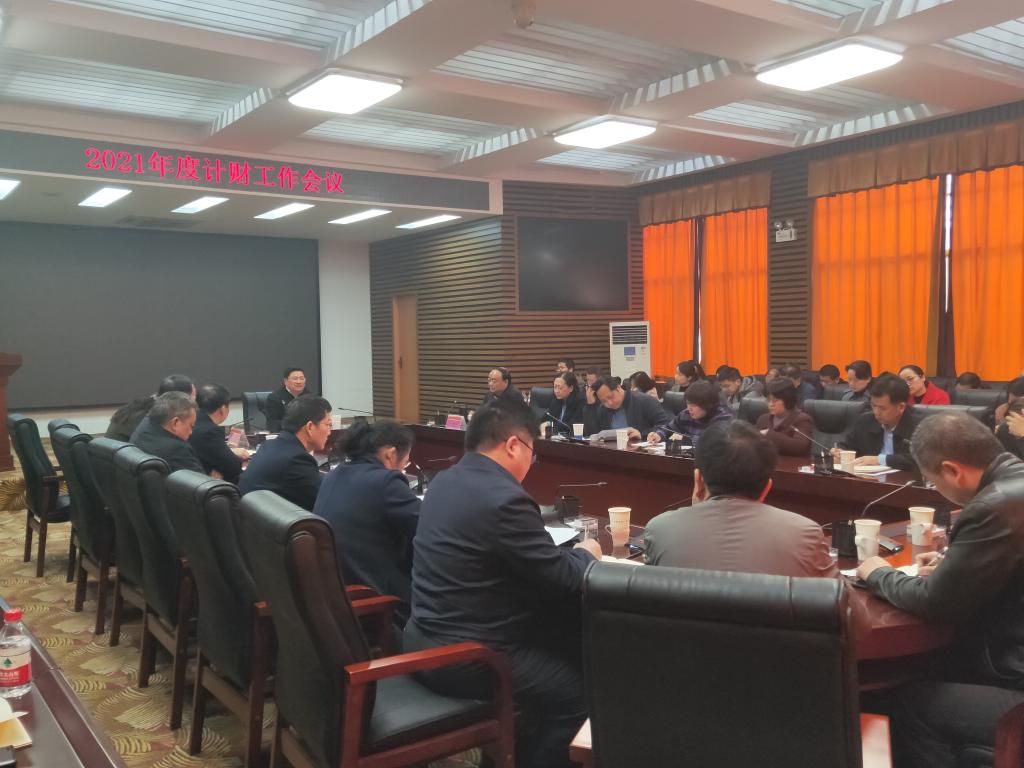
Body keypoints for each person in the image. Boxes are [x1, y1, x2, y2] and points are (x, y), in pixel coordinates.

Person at [403, 400, 602, 768]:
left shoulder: (444, 480)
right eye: (532, 453)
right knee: (578, 695)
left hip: (421, 636)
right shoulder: (504, 498)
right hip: (467, 657)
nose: (531, 463)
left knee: (560, 643)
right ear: (513, 445)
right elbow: (565, 578)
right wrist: (587, 553)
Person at [856, 413, 1024, 767]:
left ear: (952, 470)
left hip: (1015, 684)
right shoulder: (1015, 483)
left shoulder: (994, 506)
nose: (937, 490)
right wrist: (956, 561)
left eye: (933, 483)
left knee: (907, 701)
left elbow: (935, 602)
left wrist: (878, 573)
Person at [644, 420, 836, 577]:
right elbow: (846, 608)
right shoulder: (805, 535)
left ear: (698, 480)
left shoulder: (659, 530)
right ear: (767, 488)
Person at [313, 420, 420, 620]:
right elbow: (426, 527)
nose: (403, 468)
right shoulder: (386, 482)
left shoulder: (335, 474)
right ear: (390, 454)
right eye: (405, 462)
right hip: (372, 596)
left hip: (335, 591)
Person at [238, 394, 331, 511]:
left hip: (254, 518)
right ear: (310, 427)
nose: (329, 432)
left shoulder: (270, 445)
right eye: (328, 425)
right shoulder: (296, 459)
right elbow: (327, 499)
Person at [835, 373, 920, 469]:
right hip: (867, 476)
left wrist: (880, 460)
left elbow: (921, 460)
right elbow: (848, 446)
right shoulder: (865, 421)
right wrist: (840, 452)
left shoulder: (920, 426)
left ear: (901, 407)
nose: (876, 412)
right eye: (873, 405)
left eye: (883, 408)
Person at [105, 373, 195, 442]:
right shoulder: (155, 416)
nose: (194, 400)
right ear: (181, 399)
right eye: (193, 396)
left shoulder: (143, 406)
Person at [129, 391, 204, 473]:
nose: (191, 432)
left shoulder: (145, 425)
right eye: (191, 426)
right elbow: (202, 480)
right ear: (175, 422)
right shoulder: (178, 450)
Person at [189, 383, 246, 484]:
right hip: (209, 484)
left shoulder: (191, 420)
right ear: (223, 409)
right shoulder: (210, 431)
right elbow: (233, 467)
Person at [648, 380, 732, 445]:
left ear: (707, 404)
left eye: (693, 405)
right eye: (688, 403)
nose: (689, 408)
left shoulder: (723, 417)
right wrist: (659, 435)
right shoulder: (686, 414)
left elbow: (713, 443)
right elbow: (668, 428)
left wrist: (684, 439)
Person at [585, 376, 670, 439]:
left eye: (611, 397)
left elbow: (666, 426)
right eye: (604, 401)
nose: (609, 403)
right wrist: (590, 406)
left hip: (642, 452)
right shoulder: (603, 409)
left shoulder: (645, 401)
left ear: (618, 387)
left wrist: (642, 434)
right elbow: (592, 435)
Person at [755, 380, 814, 457]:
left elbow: (800, 447)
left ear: (787, 400)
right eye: (768, 400)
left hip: (793, 463)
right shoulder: (763, 419)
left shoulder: (802, 420)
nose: (770, 404)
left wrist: (768, 434)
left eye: (775, 401)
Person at [264, 367, 310, 432]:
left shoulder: (310, 397)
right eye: (295, 379)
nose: (299, 382)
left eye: (301, 378)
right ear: (286, 381)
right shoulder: (275, 398)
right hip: (285, 433)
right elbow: (272, 423)